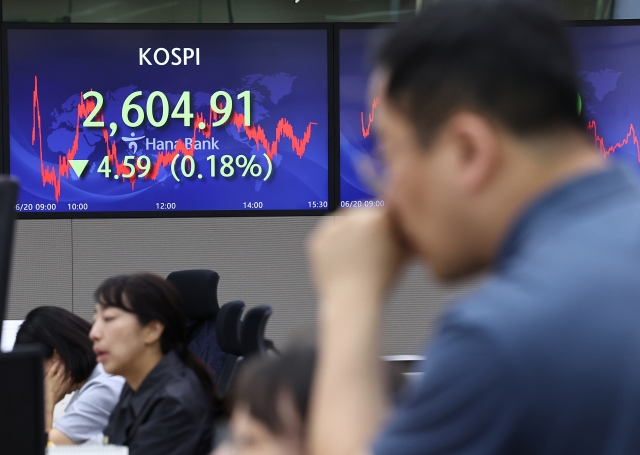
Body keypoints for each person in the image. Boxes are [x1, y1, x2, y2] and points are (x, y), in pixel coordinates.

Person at [308, 1, 640, 455]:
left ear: (468, 151)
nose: (387, 195)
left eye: (389, 152)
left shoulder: (501, 337)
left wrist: (350, 296)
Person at [90, 273, 218, 455]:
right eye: (95, 321)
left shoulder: (174, 402)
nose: (93, 333)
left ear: (152, 330)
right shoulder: (135, 383)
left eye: (108, 319)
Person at [14, 306, 124, 445]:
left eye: (38, 368)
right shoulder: (90, 385)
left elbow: (44, 448)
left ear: (57, 357)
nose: (39, 379)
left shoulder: (103, 386)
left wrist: (48, 401)